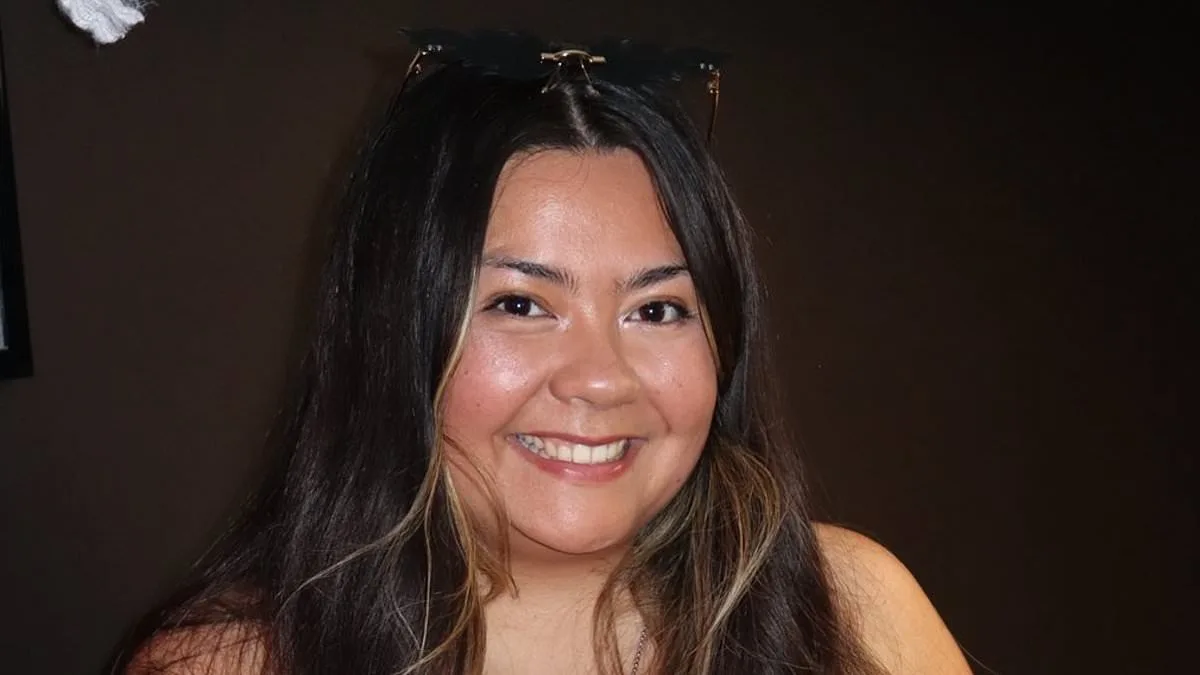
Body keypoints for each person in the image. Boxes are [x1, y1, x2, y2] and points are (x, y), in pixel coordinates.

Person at [111, 32, 971, 675]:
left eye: (658, 309)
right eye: (520, 304)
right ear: (394, 340)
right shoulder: (225, 664)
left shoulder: (853, 606)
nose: (600, 378)